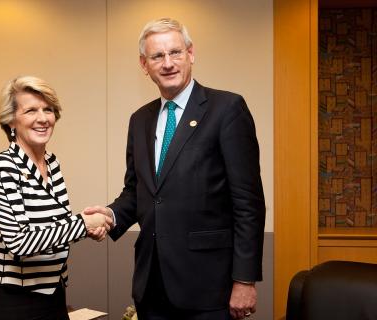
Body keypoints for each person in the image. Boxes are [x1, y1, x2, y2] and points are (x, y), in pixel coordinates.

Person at [85, 18, 265, 320]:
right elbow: (137, 192)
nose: (168, 63)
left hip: (210, 289)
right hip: (151, 287)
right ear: (144, 65)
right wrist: (110, 215)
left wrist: (244, 280)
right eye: (157, 56)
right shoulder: (140, 120)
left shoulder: (227, 109)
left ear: (190, 54)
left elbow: (249, 203)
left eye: (175, 53)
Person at [0, 75, 112, 320]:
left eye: (48, 110)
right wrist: (81, 224)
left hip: (54, 297)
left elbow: (54, 229)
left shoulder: (52, 163)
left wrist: (86, 228)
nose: (43, 118)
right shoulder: (1, 165)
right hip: (14, 303)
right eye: (31, 110)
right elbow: (18, 242)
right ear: (11, 121)